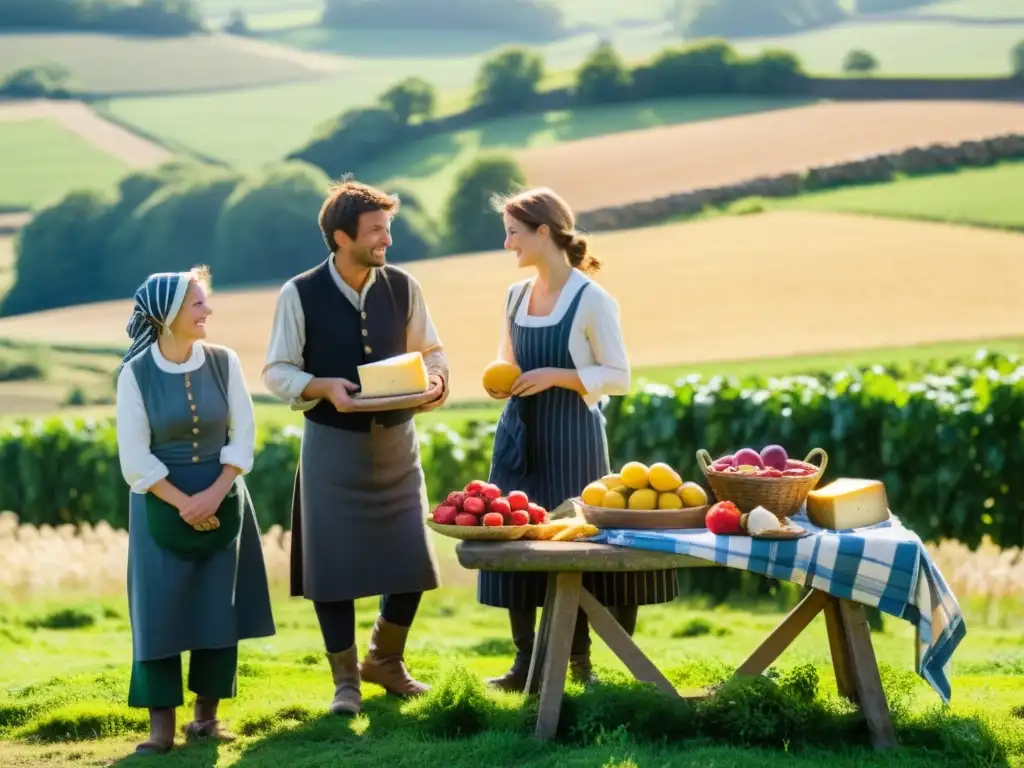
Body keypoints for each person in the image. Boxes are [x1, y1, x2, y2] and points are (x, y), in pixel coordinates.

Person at [480, 187, 680, 692]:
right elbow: (507, 361)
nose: (507, 244)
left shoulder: (591, 299)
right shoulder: (514, 296)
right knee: (513, 538)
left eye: (513, 232)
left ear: (543, 232)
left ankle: (578, 664)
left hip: (573, 435)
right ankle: (525, 662)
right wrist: (503, 382)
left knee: (577, 545)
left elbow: (618, 376)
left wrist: (555, 375)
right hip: (519, 435)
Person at [262, 179, 448, 717]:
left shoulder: (404, 286)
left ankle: (384, 661)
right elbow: (277, 371)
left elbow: (431, 351)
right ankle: (346, 682)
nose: (386, 239)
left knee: (410, 557)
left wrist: (436, 382)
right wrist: (321, 387)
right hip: (332, 445)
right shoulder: (298, 292)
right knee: (332, 566)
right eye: (376, 231)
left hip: (397, 442)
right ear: (341, 237)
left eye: (387, 228)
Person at [114, 266, 276, 755]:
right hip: (159, 503)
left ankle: (206, 719)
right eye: (198, 304)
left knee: (216, 609)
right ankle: (160, 727)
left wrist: (216, 491)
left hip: (223, 497)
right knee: (158, 611)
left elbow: (242, 435)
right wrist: (185, 502)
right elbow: (134, 456)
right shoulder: (135, 374)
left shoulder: (224, 362)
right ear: (167, 315)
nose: (208, 311)